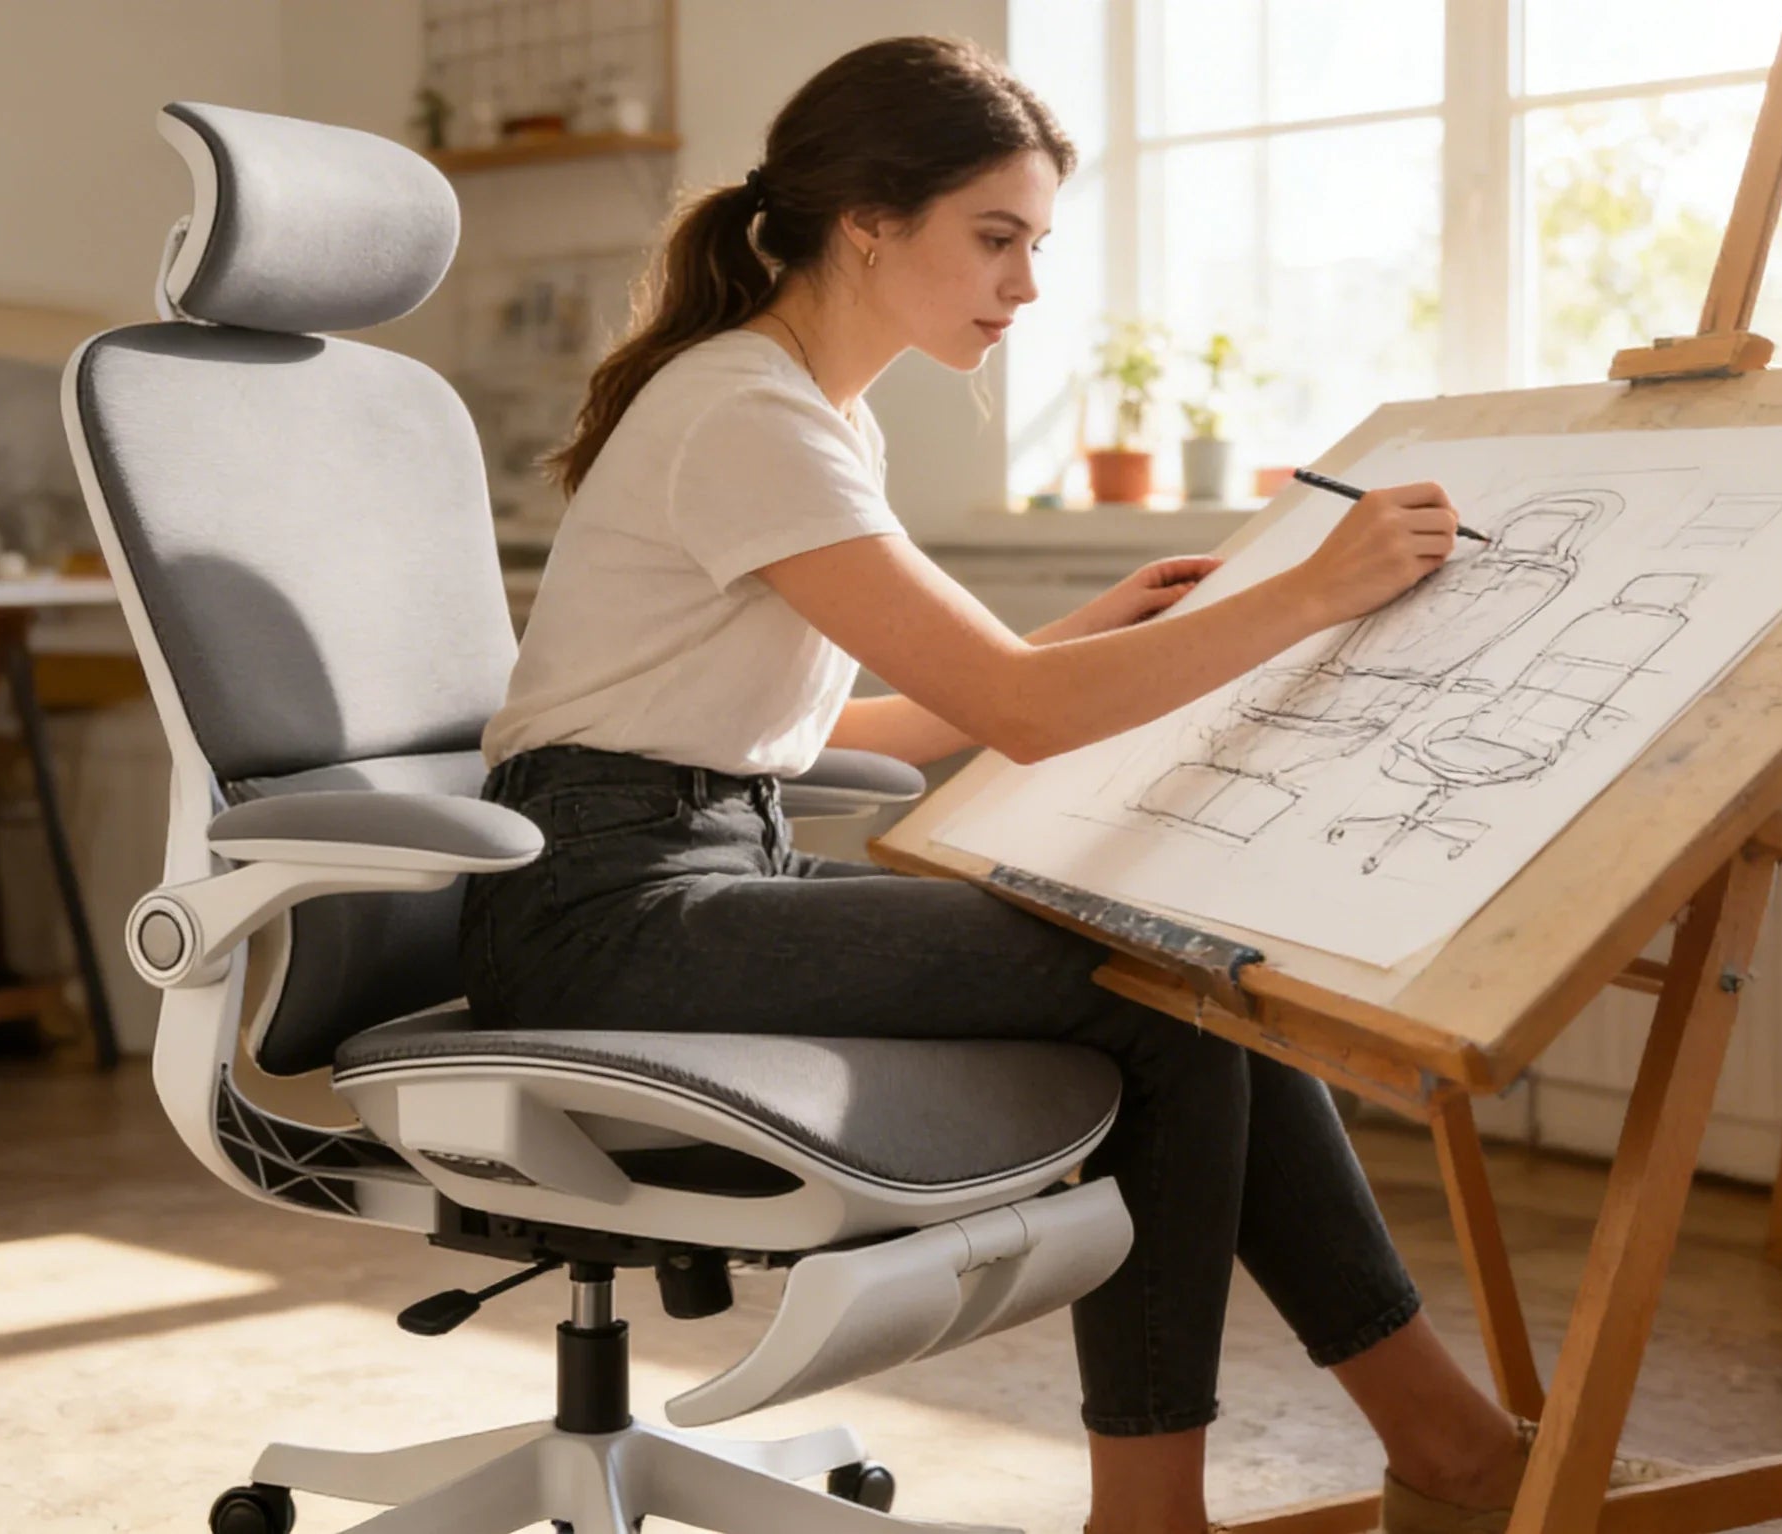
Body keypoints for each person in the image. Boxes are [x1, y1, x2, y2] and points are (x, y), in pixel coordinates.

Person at [464, 34, 1643, 1534]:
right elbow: (1015, 716)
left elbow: (844, 728)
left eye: (1034, 244)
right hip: (595, 906)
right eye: (996, 238)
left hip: (681, 863)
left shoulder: (810, 409)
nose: (1024, 284)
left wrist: (1090, 630)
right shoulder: (745, 412)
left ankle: (1443, 1450)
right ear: (870, 223)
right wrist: (1310, 592)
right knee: (1156, 980)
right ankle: (1215, 1502)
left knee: (1189, 975)